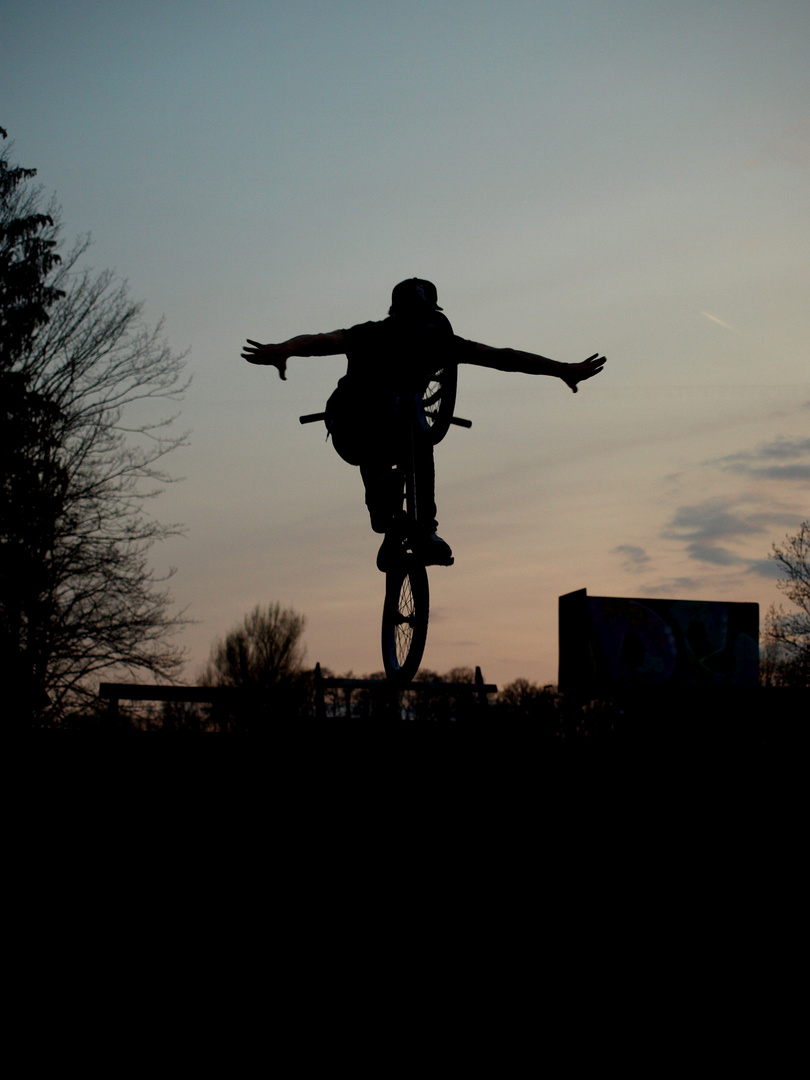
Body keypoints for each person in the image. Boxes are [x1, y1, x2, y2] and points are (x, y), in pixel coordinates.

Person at [242, 278, 606, 571]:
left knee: (418, 440)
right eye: (410, 317)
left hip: (399, 429)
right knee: (382, 441)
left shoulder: (439, 342)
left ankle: (414, 530)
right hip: (351, 422)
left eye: (422, 318)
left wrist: (560, 369)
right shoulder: (372, 335)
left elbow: (502, 358)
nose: (416, 326)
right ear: (394, 314)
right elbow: (322, 342)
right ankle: (384, 500)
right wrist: (285, 348)